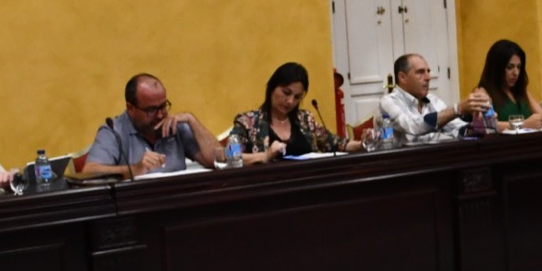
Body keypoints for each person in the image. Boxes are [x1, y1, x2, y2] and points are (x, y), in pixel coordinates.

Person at [73, 74, 217, 179]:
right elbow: (89, 172)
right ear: (131, 108)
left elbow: (217, 160)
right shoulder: (113, 131)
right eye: (151, 110)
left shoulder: (174, 125)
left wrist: (191, 120)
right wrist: (135, 169)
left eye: (163, 106)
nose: (160, 115)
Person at [233, 62, 359, 159]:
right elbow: (232, 156)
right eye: (286, 93)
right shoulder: (248, 122)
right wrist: (265, 156)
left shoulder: (305, 120)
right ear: (272, 88)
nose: (290, 101)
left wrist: (363, 144)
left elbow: (337, 144)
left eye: (297, 97)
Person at [378, 53, 487, 137]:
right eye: (420, 72)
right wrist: (458, 109)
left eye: (428, 71)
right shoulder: (388, 102)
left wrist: (478, 126)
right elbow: (413, 127)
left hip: (434, 157)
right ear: (402, 77)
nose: (428, 77)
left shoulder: (433, 100)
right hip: (404, 159)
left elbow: (455, 129)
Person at [477, 39, 542, 130]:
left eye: (519, 67)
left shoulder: (521, 90)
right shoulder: (482, 92)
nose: (516, 73)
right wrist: (523, 124)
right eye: (510, 67)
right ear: (497, 68)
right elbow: (485, 125)